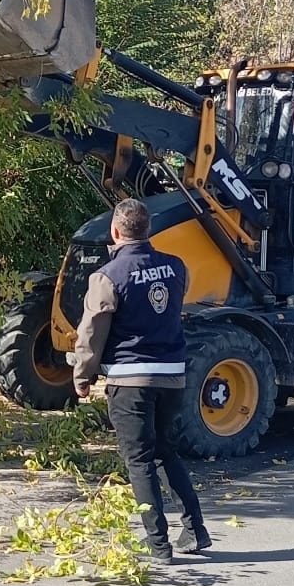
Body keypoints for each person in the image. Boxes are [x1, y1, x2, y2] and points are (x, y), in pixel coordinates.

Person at [69, 197, 211, 564]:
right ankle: (194, 529)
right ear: (149, 229)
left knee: (139, 459)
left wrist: (82, 375)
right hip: (172, 376)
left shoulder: (107, 276)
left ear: (115, 232)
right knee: (164, 450)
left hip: (130, 378)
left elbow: (92, 332)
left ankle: (158, 544)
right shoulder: (176, 267)